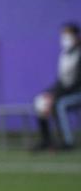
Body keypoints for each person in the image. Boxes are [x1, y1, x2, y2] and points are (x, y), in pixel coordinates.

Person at [33, 22, 81, 151]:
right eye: (63, 35)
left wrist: (55, 96)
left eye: (68, 35)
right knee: (40, 101)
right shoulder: (64, 55)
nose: (65, 39)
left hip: (77, 92)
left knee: (60, 105)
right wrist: (49, 93)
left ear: (76, 36)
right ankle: (46, 140)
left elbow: (76, 82)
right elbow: (62, 80)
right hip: (66, 91)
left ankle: (68, 142)